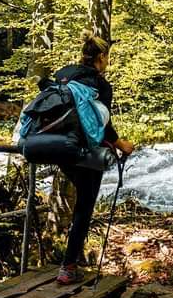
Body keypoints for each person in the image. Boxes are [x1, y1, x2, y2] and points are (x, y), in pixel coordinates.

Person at [52, 34, 135, 285]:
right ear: (101, 57)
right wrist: (122, 144)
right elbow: (102, 124)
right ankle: (68, 266)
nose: (108, 61)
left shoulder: (63, 76)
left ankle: (71, 259)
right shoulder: (100, 85)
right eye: (107, 57)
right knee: (84, 207)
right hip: (86, 153)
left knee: (80, 202)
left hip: (61, 149)